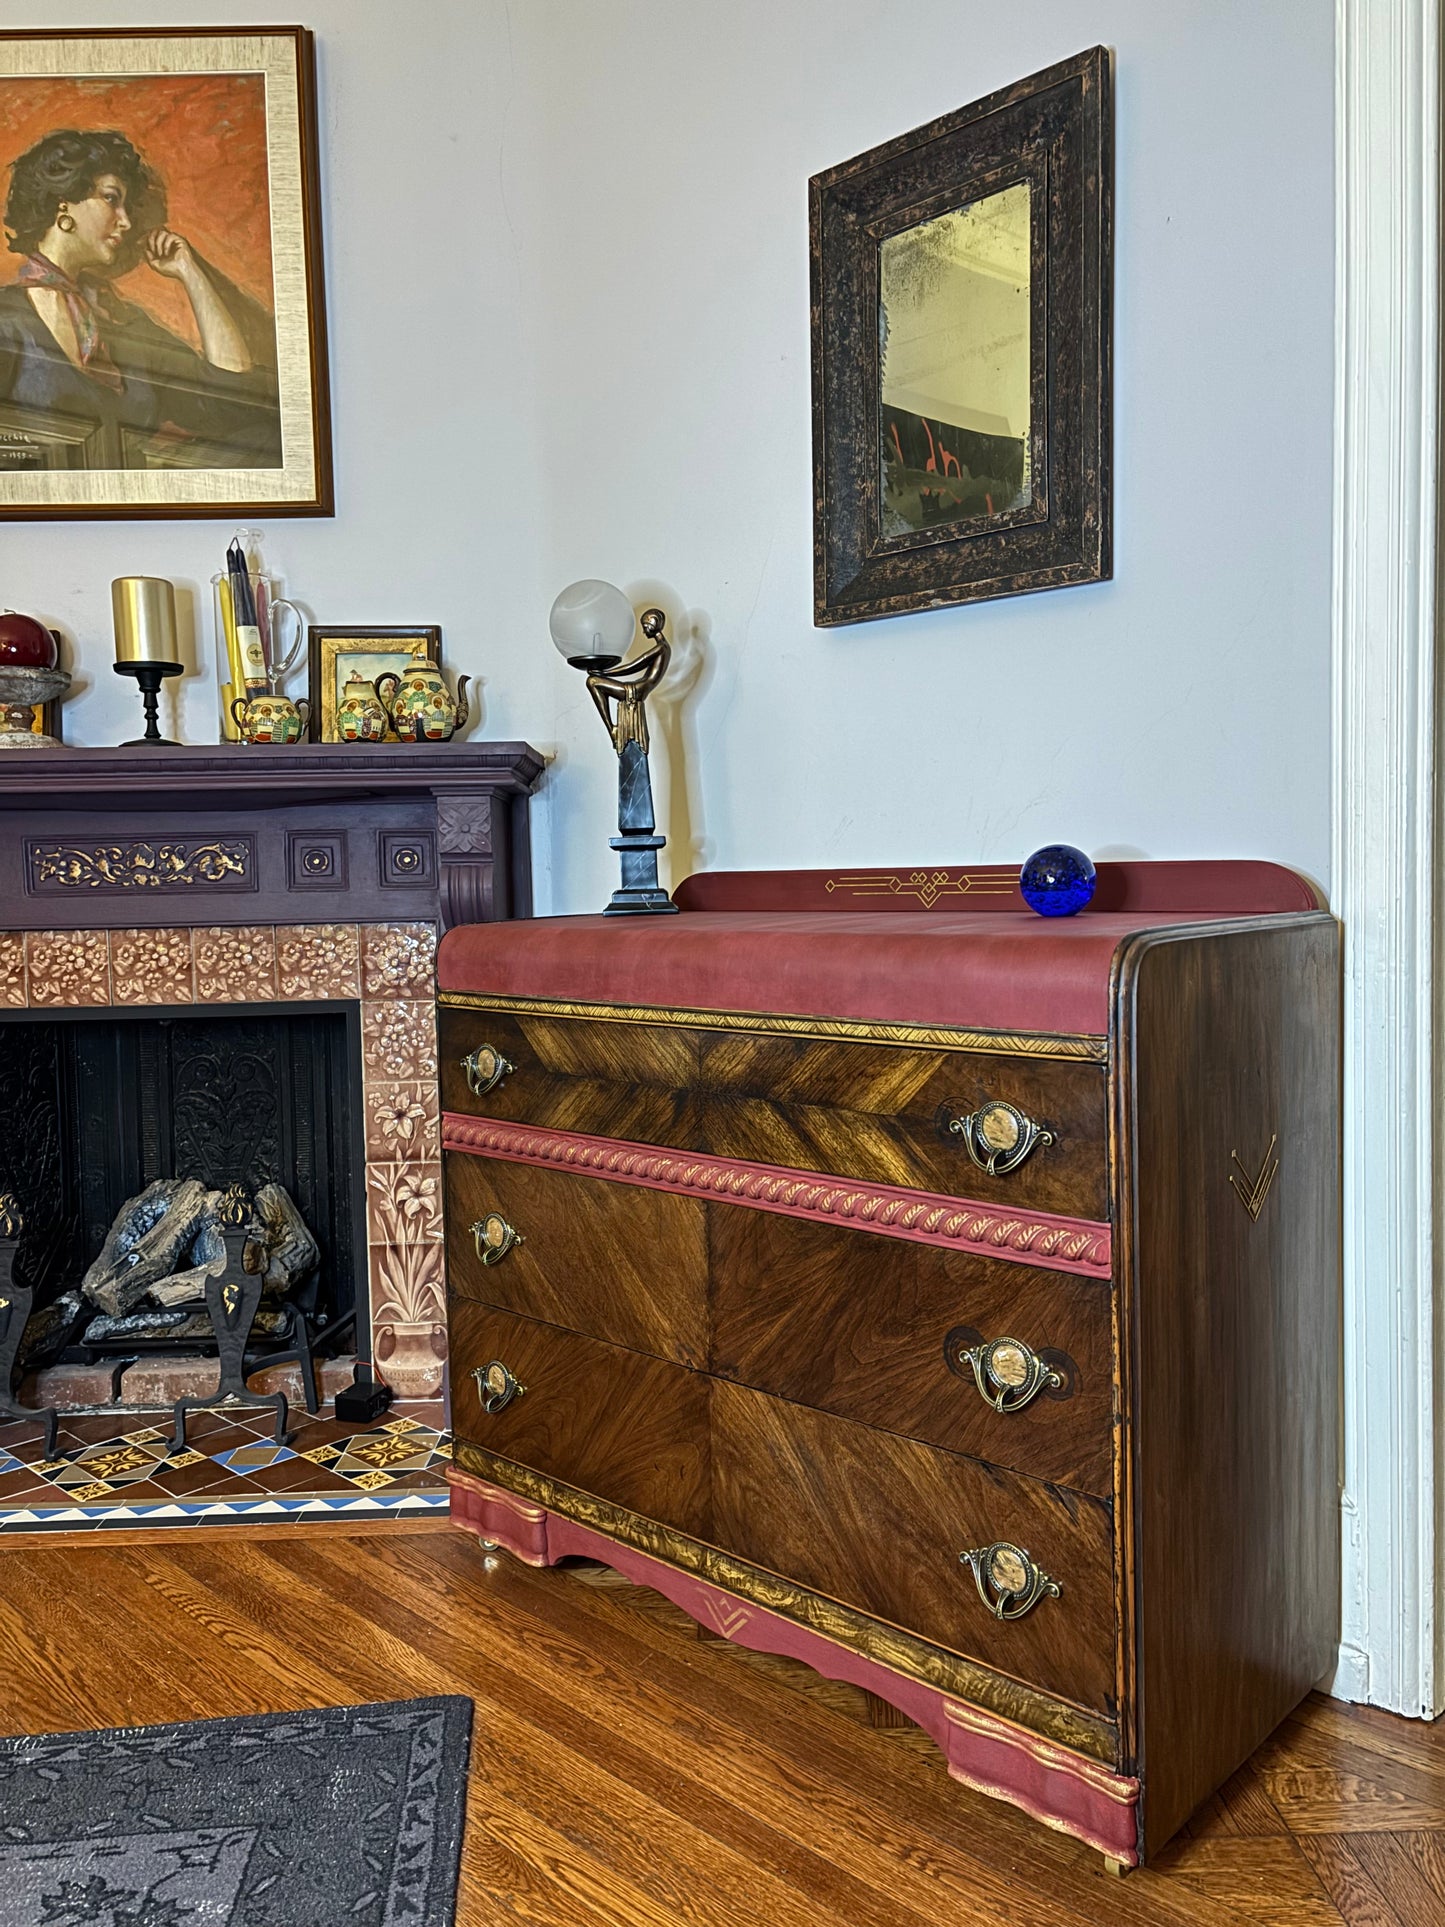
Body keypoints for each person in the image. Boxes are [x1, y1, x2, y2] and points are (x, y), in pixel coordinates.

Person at [0, 128, 280, 469]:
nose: (127, 221)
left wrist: (191, 273)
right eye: (110, 198)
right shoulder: (6, 320)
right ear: (65, 202)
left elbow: (233, 402)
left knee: (267, 436)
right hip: (45, 513)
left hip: (130, 508)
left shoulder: (122, 321)